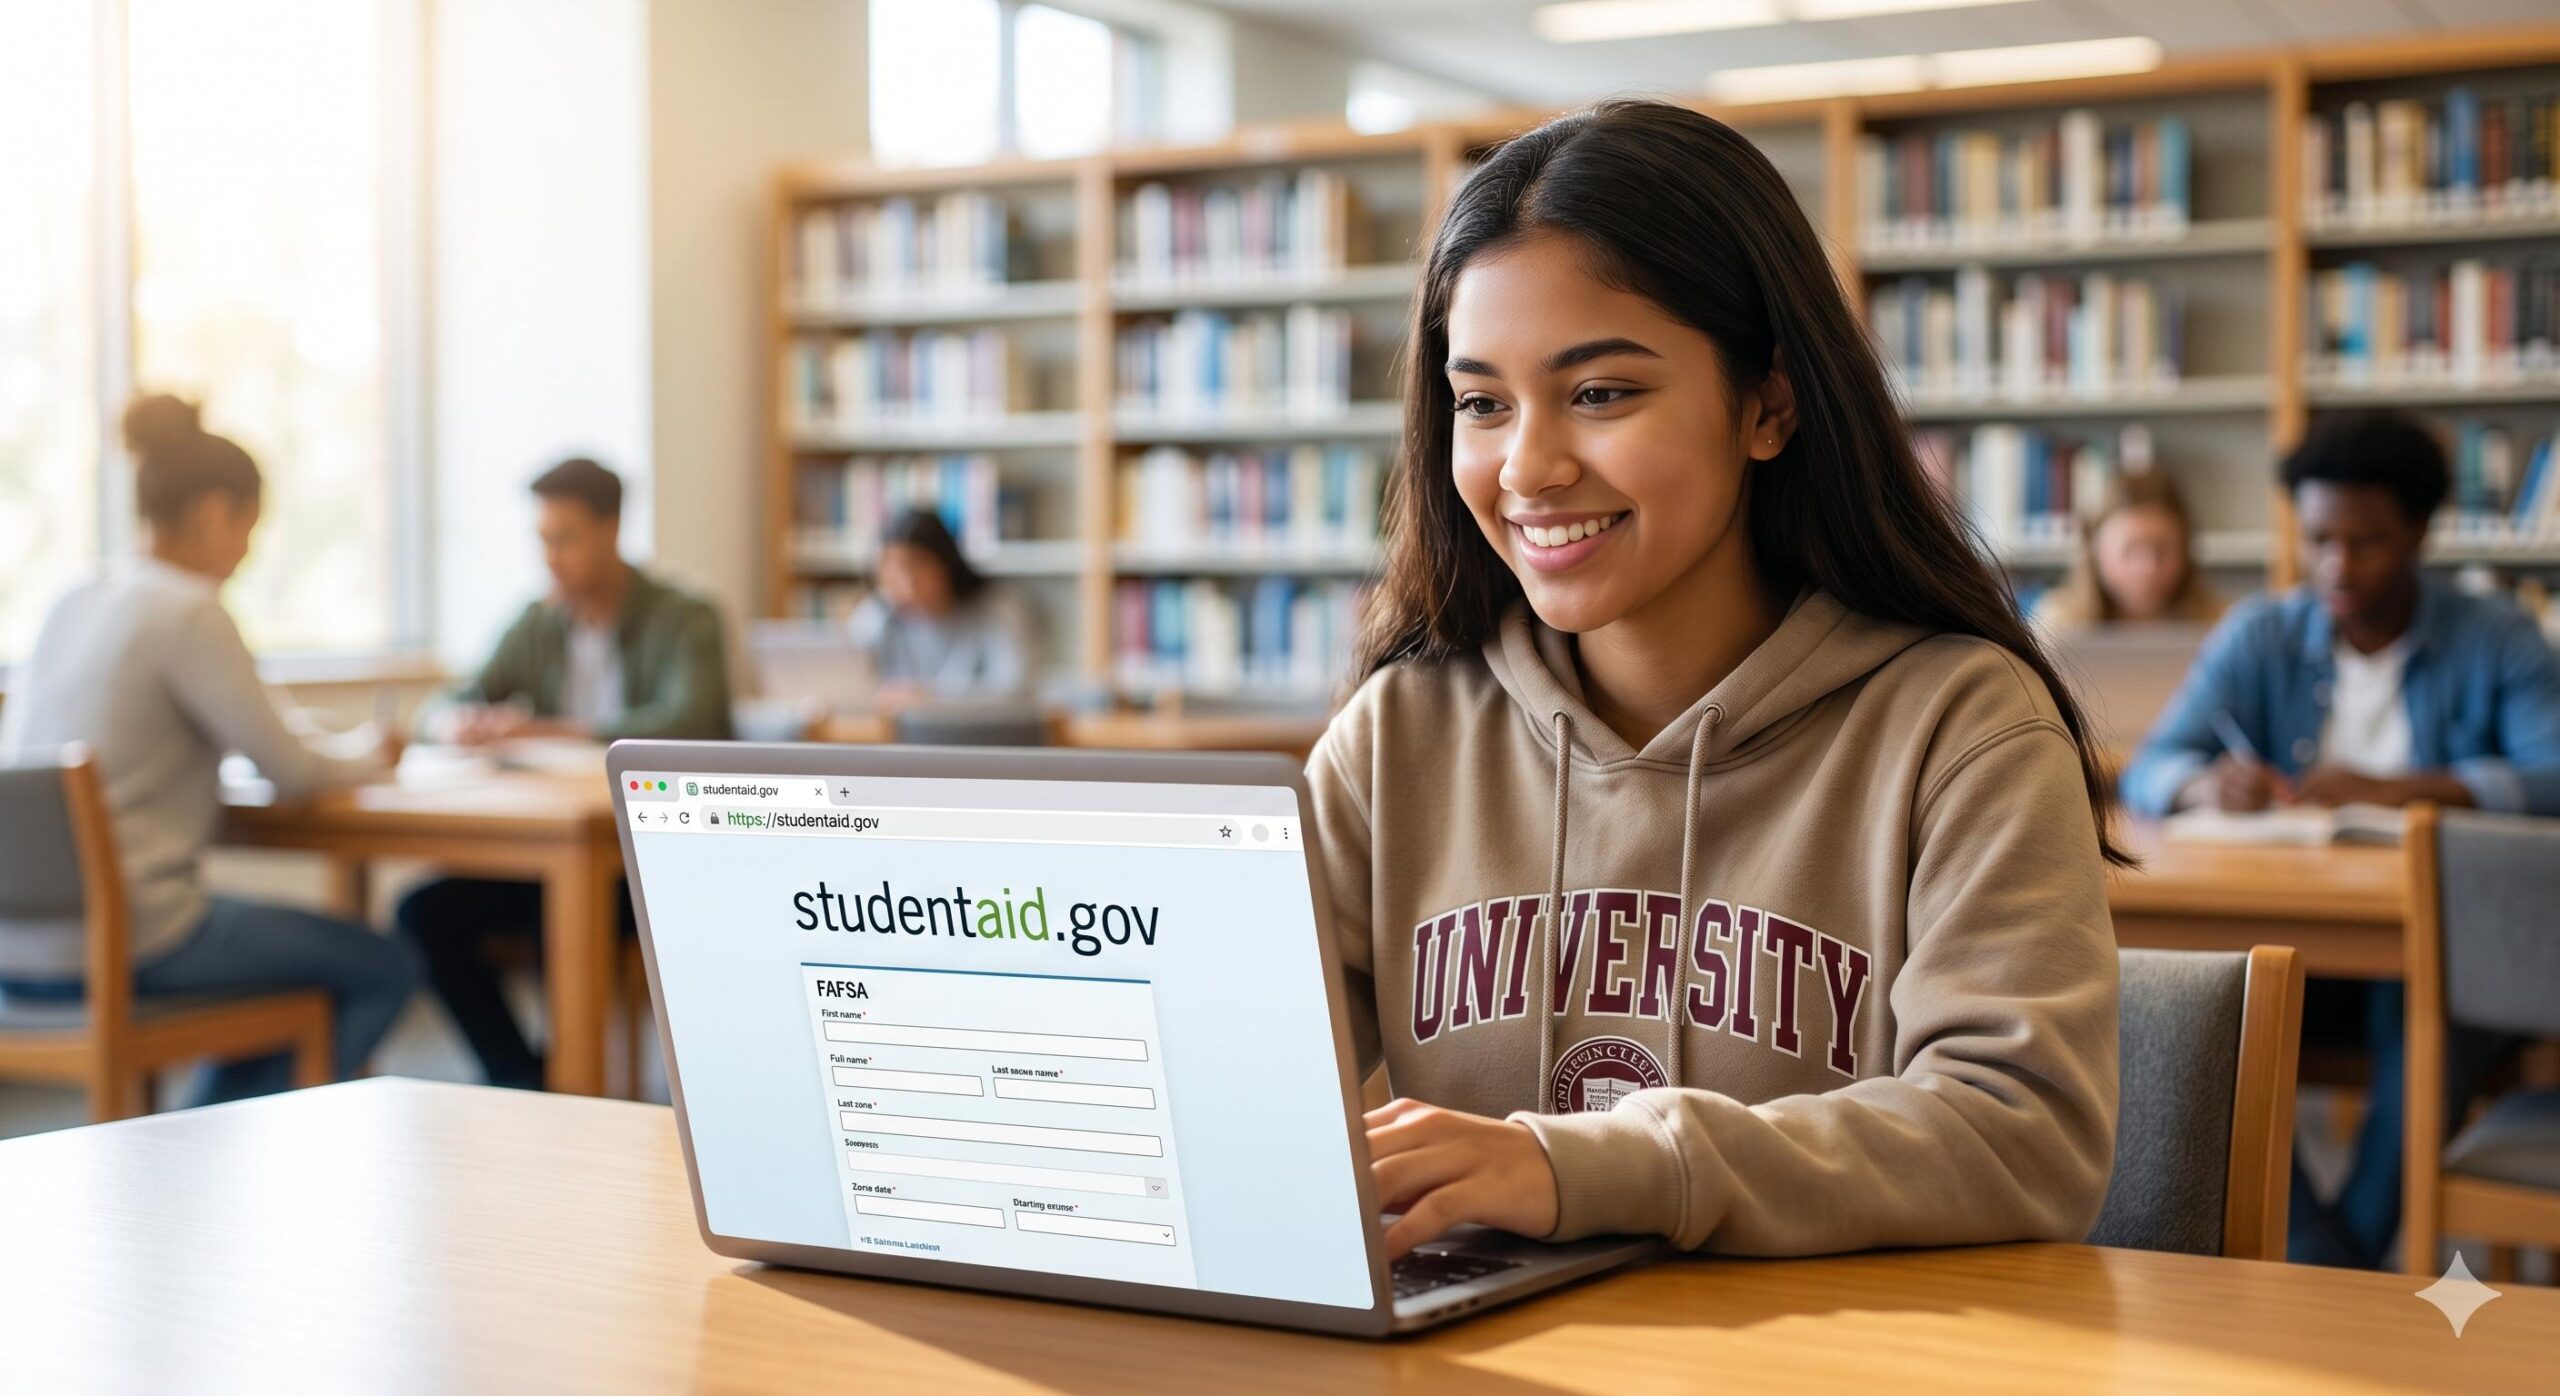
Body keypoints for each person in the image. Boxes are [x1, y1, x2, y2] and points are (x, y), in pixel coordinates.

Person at [1307, 101, 2121, 1262]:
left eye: (1600, 393)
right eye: (1481, 402)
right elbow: (1237, 1092)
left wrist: (1587, 1166)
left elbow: (2023, 1136)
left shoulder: (1959, 726)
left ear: (1767, 405)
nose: (1526, 467)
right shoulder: (1400, 734)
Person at [2121, 408, 2560, 1268]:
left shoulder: (2495, 635)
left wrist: (2400, 792)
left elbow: (2555, 774)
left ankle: (2327, 1270)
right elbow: (2149, 768)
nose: (2337, 566)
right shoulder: (2262, 632)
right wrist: (2202, 781)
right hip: (2302, 944)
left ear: (2421, 532)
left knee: (2426, 1006)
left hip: (2437, 956)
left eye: (2367, 541)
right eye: (2319, 538)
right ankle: (2340, 1267)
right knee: (2204, 1006)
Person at [0, 395, 419, 1106]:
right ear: (215, 512)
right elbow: (290, 769)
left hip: (16, 944)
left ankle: (202, 1141)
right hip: (133, 937)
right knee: (384, 963)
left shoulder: (76, 595)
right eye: (250, 531)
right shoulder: (188, 609)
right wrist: (377, 754)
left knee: (279, 961)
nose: (247, 553)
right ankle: (217, 1141)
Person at [398, 457, 732, 1089]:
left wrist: (549, 731)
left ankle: (572, 1088)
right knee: (422, 914)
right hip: (554, 849)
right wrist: (455, 724)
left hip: (651, 860)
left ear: (611, 529)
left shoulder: (685, 617)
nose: (550, 557)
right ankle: (527, 1082)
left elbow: (692, 721)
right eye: (543, 540)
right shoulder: (537, 622)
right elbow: (442, 705)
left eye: (566, 539)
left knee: (559, 908)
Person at [847, 509, 1034, 703]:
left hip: (973, 730)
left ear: (946, 563)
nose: (905, 583)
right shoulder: (878, 616)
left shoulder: (996, 611)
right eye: (890, 569)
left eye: (915, 566)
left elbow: (1016, 689)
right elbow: (852, 683)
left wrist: (931, 697)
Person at [2032, 470, 2224, 630]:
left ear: (2185, 550)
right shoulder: (2057, 622)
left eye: (2162, 550)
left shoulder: (2222, 624)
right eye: (2130, 550)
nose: (2148, 567)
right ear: (2096, 552)